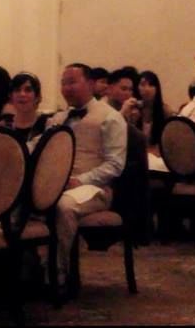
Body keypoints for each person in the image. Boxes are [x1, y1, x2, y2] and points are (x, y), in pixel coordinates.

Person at [47, 63, 127, 291]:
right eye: (63, 83)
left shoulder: (111, 118)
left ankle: (58, 275)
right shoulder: (57, 119)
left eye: (72, 82)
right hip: (56, 185)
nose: (66, 88)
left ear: (91, 84)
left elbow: (115, 165)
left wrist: (80, 180)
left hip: (94, 189)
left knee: (64, 206)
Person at [3, 72, 51, 148]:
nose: (22, 94)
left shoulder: (47, 126)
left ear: (37, 97)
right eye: (17, 90)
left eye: (28, 90)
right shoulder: (4, 126)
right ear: (11, 97)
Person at [137, 70, 175, 147]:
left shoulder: (165, 111)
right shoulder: (133, 109)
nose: (147, 89)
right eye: (143, 85)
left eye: (151, 85)